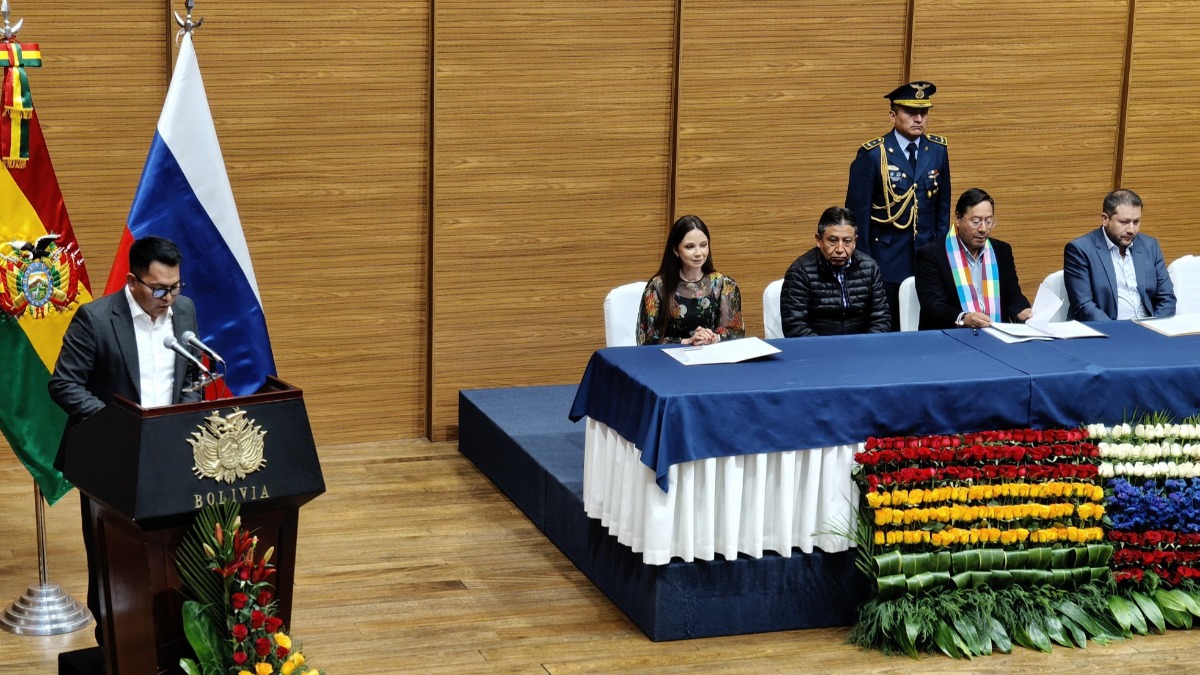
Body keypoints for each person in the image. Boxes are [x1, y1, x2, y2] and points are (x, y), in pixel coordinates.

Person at [48, 236, 203, 650]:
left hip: (169, 457)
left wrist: (179, 418)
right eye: (159, 289)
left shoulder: (183, 311)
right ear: (133, 281)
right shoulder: (96, 319)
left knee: (173, 553)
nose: (168, 298)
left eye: (175, 287)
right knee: (111, 561)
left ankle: (174, 642)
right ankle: (113, 647)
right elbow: (64, 384)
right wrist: (121, 429)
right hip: (112, 461)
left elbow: (191, 380)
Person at [846, 80, 951, 330]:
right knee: (891, 326)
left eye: (923, 113)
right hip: (887, 260)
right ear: (893, 115)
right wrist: (866, 267)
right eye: (910, 112)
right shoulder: (873, 154)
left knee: (928, 324)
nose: (918, 119)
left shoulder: (937, 149)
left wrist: (939, 251)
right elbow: (856, 217)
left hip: (926, 258)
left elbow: (942, 207)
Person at [914, 188, 1031, 330]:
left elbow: (1013, 297)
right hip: (952, 337)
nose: (983, 229)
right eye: (975, 222)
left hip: (997, 334)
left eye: (989, 221)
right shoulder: (931, 254)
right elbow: (933, 306)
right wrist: (964, 318)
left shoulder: (1002, 251)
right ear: (958, 218)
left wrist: (1022, 311)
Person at [1064, 189, 1176, 321]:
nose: (1131, 230)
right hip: (1107, 331)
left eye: (1136, 222)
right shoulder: (1080, 250)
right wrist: (1118, 332)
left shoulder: (1150, 246)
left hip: (1148, 329)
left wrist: (1155, 328)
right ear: (1105, 219)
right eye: (1124, 222)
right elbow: (1084, 306)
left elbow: (1167, 298)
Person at [780, 207, 890, 337]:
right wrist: (828, 349)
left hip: (861, 349)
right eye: (833, 240)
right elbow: (794, 325)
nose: (840, 248)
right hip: (818, 350)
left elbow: (881, 319)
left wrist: (865, 346)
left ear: (855, 242)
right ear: (819, 240)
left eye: (847, 241)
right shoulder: (800, 272)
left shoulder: (870, 268)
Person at [637, 215, 744, 345]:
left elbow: (736, 333)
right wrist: (686, 341)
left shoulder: (725, 285)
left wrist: (714, 337)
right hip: (670, 360)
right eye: (690, 247)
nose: (698, 253)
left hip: (714, 359)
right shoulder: (657, 286)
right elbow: (647, 340)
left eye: (703, 245)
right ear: (676, 250)